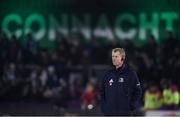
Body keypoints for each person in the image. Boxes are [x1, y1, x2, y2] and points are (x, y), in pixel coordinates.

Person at [100, 48, 142, 116]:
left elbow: (138, 91)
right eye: (112, 56)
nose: (113, 59)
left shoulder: (131, 74)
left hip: (125, 113)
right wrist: (104, 107)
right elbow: (102, 92)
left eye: (116, 56)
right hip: (109, 113)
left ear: (122, 58)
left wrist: (132, 105)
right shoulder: (107, 74)